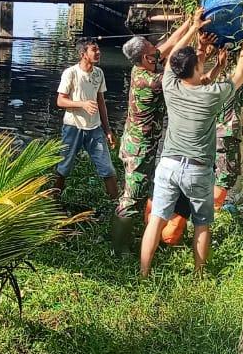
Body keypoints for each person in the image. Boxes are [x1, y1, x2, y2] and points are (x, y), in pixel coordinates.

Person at [140, 13, 243, 276]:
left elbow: (173, 59)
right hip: (197, 169)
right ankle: (198, 275)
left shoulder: (170, 86)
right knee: (201, 224)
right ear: (197, 68)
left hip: (169, 165)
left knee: (156, 221)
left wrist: (193, 30)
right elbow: (238, 77)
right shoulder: (211, 95)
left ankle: (144, 272)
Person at [115, 17, 196, 222]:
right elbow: (175, 59)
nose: (157, 50)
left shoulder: (140, 66)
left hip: (139, 143)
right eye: (153, 50)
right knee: (131, 200)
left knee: (144, 192)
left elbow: (171, 43)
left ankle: (140, 231)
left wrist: (189, 23)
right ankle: (118, 239)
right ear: (146, 58)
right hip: (139, 149)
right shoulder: (150, 81)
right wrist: (195, 30)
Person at [53, 37, 118, 200]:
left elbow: (101, 101)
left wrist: (107, 129)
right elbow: (60, 101)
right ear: (83, 54)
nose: (98, 52)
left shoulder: (99, 73)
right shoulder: (71, 73)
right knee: (64, 167)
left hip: (95, 128)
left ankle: (116, 205)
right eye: (94, 50)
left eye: (98, 49)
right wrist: (82, 104)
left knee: (107, 168)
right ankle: (53, 200)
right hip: (73, 127)